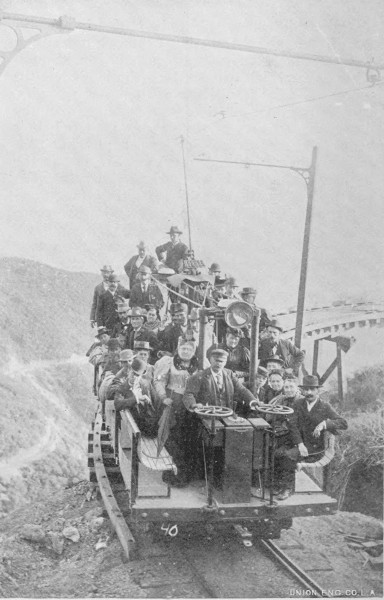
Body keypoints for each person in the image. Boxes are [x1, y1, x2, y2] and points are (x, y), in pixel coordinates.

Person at [272, 375, 348, 501]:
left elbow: (343, 423)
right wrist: (300, 444)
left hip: (314, 449)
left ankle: (288, 488)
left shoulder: (325, 406)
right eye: (306, 390)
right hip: (299, 444)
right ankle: (280, 485)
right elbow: (293, 425)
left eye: (312, 390)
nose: (309, 393)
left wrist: (325, 424)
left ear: (318, 391)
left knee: (288, 455)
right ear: (303, 391)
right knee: (277, 453)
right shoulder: (298, 403)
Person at [154, 337, 199, 486]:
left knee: (188, 439)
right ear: (178, 349)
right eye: (183, 348)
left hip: (190, 406)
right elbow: (159, 381)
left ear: (193, 351)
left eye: (189, 349)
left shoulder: (197, 365)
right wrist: (163, 397)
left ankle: (188, 473)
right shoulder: (169, 362)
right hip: (173, 403)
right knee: (173, 438)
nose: (185, 351)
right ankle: (172, 474)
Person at [183, 348, 258, 412]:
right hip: (207, 415)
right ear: (210, 360)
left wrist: (253, 401)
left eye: (221, 361)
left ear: (225, 362)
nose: (218, 364)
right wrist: (193, 404)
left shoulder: (230, 374)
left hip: (227, 414)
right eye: (216, 360)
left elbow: (242, 390)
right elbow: (189, 393)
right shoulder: (200, 376)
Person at [114, 357, 161, 437]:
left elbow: (157, 401)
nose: (134, 377)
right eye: (133, 373)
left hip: (148, 427)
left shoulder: (146, 384)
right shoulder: (122, 387)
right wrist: (137, 399)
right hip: (130, 428)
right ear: (129, 371)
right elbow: (117, 404)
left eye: (138, 375)